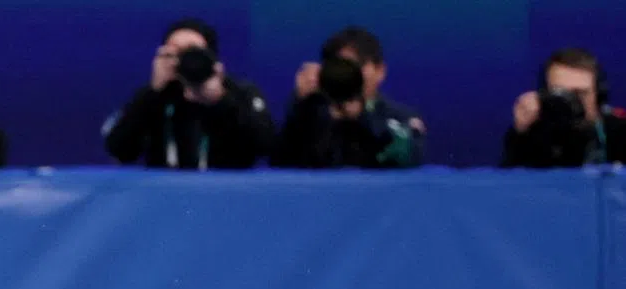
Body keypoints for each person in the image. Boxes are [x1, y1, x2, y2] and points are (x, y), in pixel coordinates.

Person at [102, 18, 274, 170]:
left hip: (226, 195)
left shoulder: (238, 92)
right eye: (175, 52)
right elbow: (119, 150)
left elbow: (266, 146)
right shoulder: (154, 97)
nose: (184, 59)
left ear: (211, 57)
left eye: (192, 52)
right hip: (164, 197)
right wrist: (152, 93)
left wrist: (220, 101)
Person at [272, 26, 425, 169]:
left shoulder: (398, 116)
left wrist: (362, 116)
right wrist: (300, 103)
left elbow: (408, 158)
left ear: (380, 71)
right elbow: (280, 163)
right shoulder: (312, 113)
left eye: (356, 65)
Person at [501, 48, 626, 168]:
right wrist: (520, 133)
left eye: (580, 94)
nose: (571, 102)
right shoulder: (531, 136)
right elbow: (509, 189)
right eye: (561, 94)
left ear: (598, 96)